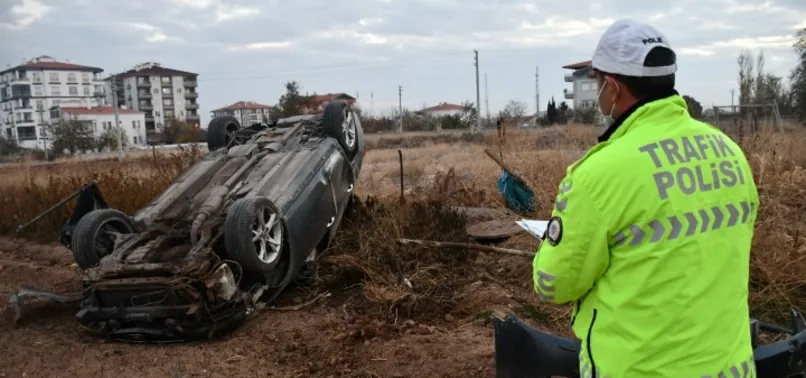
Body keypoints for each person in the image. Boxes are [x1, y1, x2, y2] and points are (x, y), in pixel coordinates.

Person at [532, 19, 759, 377]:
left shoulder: (598, 174)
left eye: (596, 82)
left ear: (613, 87)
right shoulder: (729, 152)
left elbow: (554, 283)